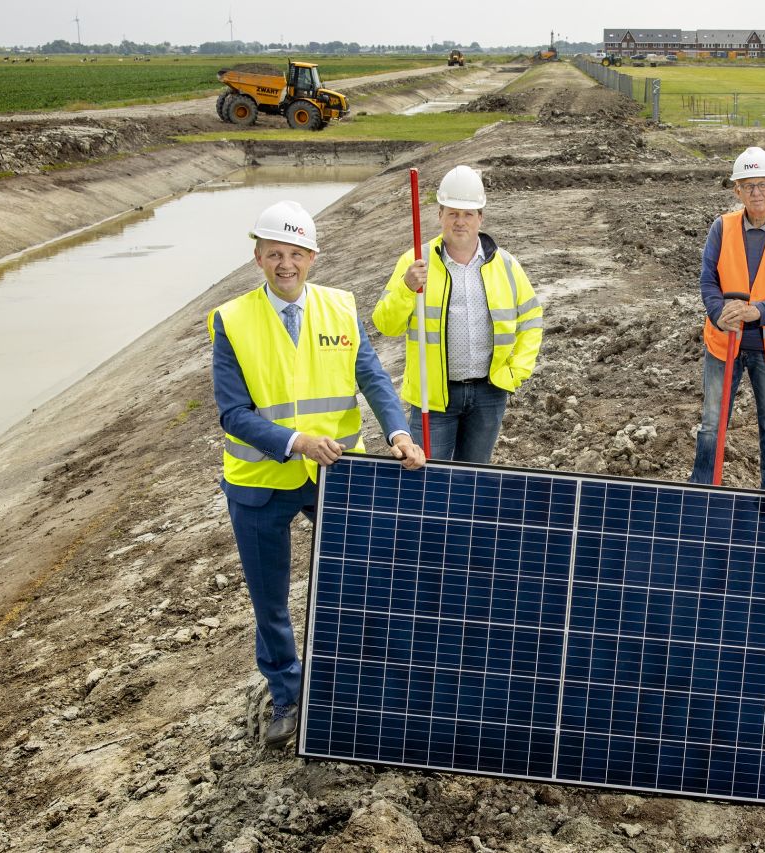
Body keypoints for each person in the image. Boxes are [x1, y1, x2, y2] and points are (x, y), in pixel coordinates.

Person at [208, 200, 426, 747]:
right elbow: (233, 414)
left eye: (297, 253)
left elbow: (374, 379)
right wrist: (296, 442)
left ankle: (360, 679)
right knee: (271, 601)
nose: (287, 264)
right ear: (258, 257)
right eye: (275, 254)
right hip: (261, 486)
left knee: (362, 581)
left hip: (336, 477)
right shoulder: (232, 321)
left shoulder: (340, 309)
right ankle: (287, 694)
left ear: (313, 257)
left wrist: (399, 433)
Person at [373, 165, 542, 463]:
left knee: (473, 482)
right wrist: (407, 288)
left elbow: (531, 321)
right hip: (433, 398)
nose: (459, 221)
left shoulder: (505, 265)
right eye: (452, 213)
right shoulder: (415, 262)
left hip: (489, 394)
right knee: (426, 482)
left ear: (480, 217)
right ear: (440, 215)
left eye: (467, 214)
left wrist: (515, 372)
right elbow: (386, 325)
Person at [688, 146, 765, 488]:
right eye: (748, 185)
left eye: (763, 184)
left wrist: (758, 310)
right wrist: (717, 313)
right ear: (736, 190)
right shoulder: (722, 227)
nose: (756, 192)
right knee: (712, 422)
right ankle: (701, 489)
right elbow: (708, 279)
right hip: (724, 343)